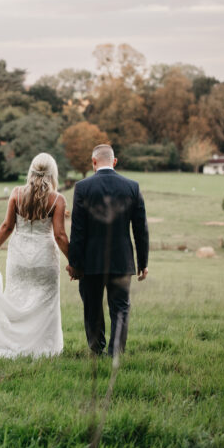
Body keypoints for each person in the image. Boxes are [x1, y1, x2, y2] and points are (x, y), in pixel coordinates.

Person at [0, 153, 68, 358]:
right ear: (53, 174)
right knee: (46, 303)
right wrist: (74, 262)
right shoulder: (57, 199)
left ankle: (11, 343)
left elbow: (7, 226)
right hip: (45, 258)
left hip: (19, 258)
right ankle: (44, 349)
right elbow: (60, 235)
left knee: (16, 299)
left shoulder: (17, 194)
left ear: (31, 171)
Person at [67, 144, 149, 356]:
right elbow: (141, 229)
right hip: (122, 261)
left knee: (92, 307)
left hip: (90, 261)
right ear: (114, 162)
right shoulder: (132, 186)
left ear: (93, 162)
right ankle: (116, 352)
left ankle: (96, 348)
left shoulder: (82, 187)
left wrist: (74, 264)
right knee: (120, 308)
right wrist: (143, 263)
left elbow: (77, 230)